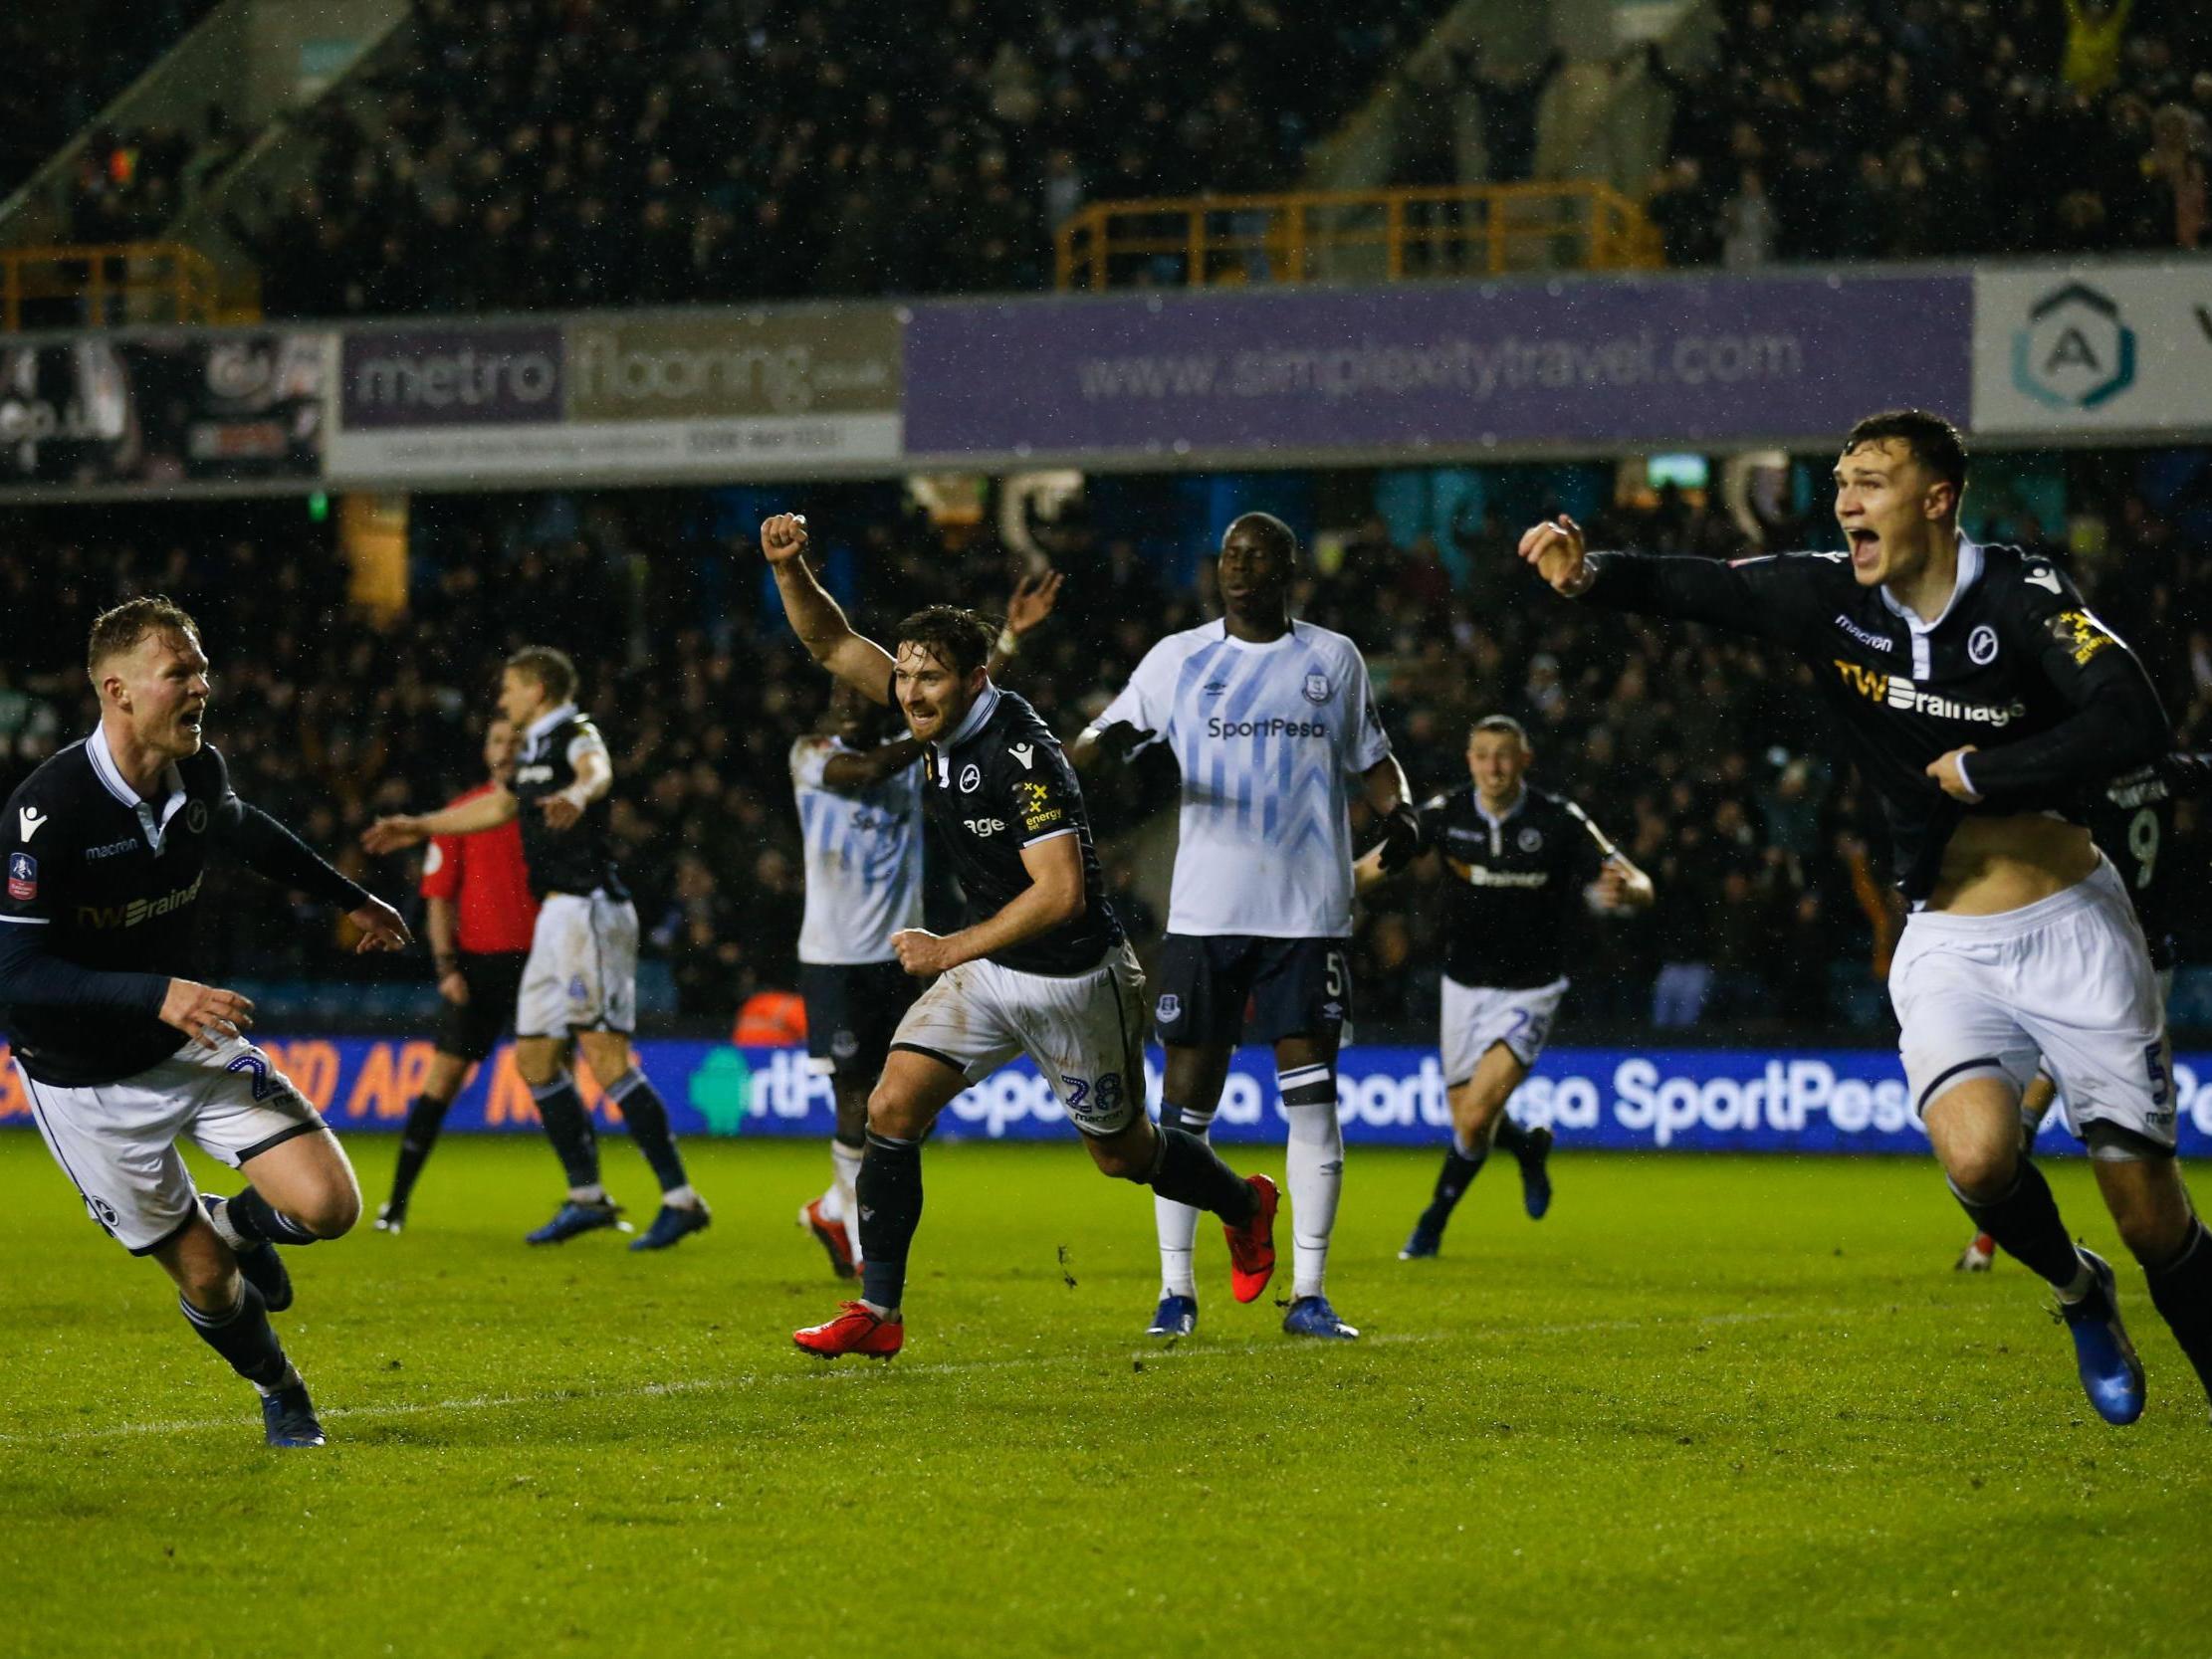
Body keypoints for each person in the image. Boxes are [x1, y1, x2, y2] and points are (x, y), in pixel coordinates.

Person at [1518, 409, 2210, 1425]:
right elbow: (1707, 589)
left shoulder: (2017, 596)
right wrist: (1590, 573)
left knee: (2151, 1218)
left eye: (1872, 480)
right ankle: (2075, 1288)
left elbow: (2128, 714)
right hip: (1943, 936)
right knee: (1975, 1158)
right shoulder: (1829, 600)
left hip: (2069, 922)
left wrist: (1991, 768)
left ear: (1935, 500)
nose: (1845, 497)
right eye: (1841, 479)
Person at [758, 512, 1278, 1361]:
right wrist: (790, 568)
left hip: (1074, 978)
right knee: (890, 1106)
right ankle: (879, 1311)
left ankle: (1244, 1205)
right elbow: (830, 641)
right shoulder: (930, 711)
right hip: (994, 968)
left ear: (973, 681)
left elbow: (1063, 894)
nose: (912, 693)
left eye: (930, 680)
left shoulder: (1022, 753)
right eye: (908, 677)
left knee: (1123, 1154)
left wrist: (947, 950)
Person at [0, 597, 410, 1448]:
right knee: (212, 1283)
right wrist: (157, 991)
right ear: (117, 690)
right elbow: (19, 973)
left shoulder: (199, 771)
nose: (201, 686)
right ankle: (281, 1388)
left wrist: (352, 898)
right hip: (86, 1081)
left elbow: (246, 834)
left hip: (188, 1041)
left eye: (203, 669)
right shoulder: (48, 815)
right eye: (179, 672)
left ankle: (227, 1219)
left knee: (330, 1206)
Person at [1072, 512, 1417, 1343]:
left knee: (1311, 1101)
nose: (1239, 569)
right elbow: (1092, 739)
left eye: (1257, 558)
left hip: (1307, 914)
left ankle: (1310, 1293)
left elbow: (1375, 762)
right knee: (1184, 1108)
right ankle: (1175, 1293)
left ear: (1289, 570)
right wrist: (1104, 747)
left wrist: (1399, 813)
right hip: (1205, 915)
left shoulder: (1332, 659)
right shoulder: (1178, 659)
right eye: (1229, 555)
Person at [363, 647, 708, 1251]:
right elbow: (498, 807)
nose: (503, 699)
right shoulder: (533, 753)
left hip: (590, 912)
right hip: (557, 917)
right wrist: (421, 825)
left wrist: (582, 794)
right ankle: (586, 1198)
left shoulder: (573, 734)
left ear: (540, 689)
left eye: (511, 688)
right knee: (535, 1061)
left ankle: (681, 1199)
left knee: (605, 1058)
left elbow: (597, 768)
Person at [792, 572, 1062, 1278]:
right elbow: (876, 763)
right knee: (855, 1094)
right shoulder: (812, 755)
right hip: (834, 954)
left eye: (860, 695)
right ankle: (851, 1223)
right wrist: (928, 724)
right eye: (842, 693)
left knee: (909, 1101)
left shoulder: (925, 760)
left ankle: (832, 1205)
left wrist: (1005, 645)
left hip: (902, 952)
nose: (850, 703)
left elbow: (959, 710)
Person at [1354, 715, 1654, 1258]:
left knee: (1472, 1119)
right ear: (1470, 762)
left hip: (1530, 989)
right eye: (1484, 755)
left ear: (1524, 761)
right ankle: (1527, 1147)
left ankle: (1430, 1226)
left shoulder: (1558, 819)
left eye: (1505, 755)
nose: (1494, 766)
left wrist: (1629, 892)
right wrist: (1321, 888)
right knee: (1470, 1127)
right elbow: (1376, 865)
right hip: (1462, 987)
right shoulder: (1446, 815)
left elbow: (1638, 881)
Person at [1956, 750, 2208, 1270]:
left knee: (2054, 1084)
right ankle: (2181, 1235)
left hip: (2098, 946)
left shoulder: (2082, 779)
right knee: (2131, 1105)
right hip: (2152, 951)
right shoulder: (2160, 769)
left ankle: (1994, 1218)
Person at [373, 715, 537, 1233]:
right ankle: (396, 1204)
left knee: (553, 1077)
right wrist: (446, 967)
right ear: (486, 750)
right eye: (497, 737)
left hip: (541, 963)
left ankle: (588, 1198)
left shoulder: (545, 810)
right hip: (479, 966)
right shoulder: (462, 816)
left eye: (517, 739)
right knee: (442, 1082)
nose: (507, 747)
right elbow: (438, 898)